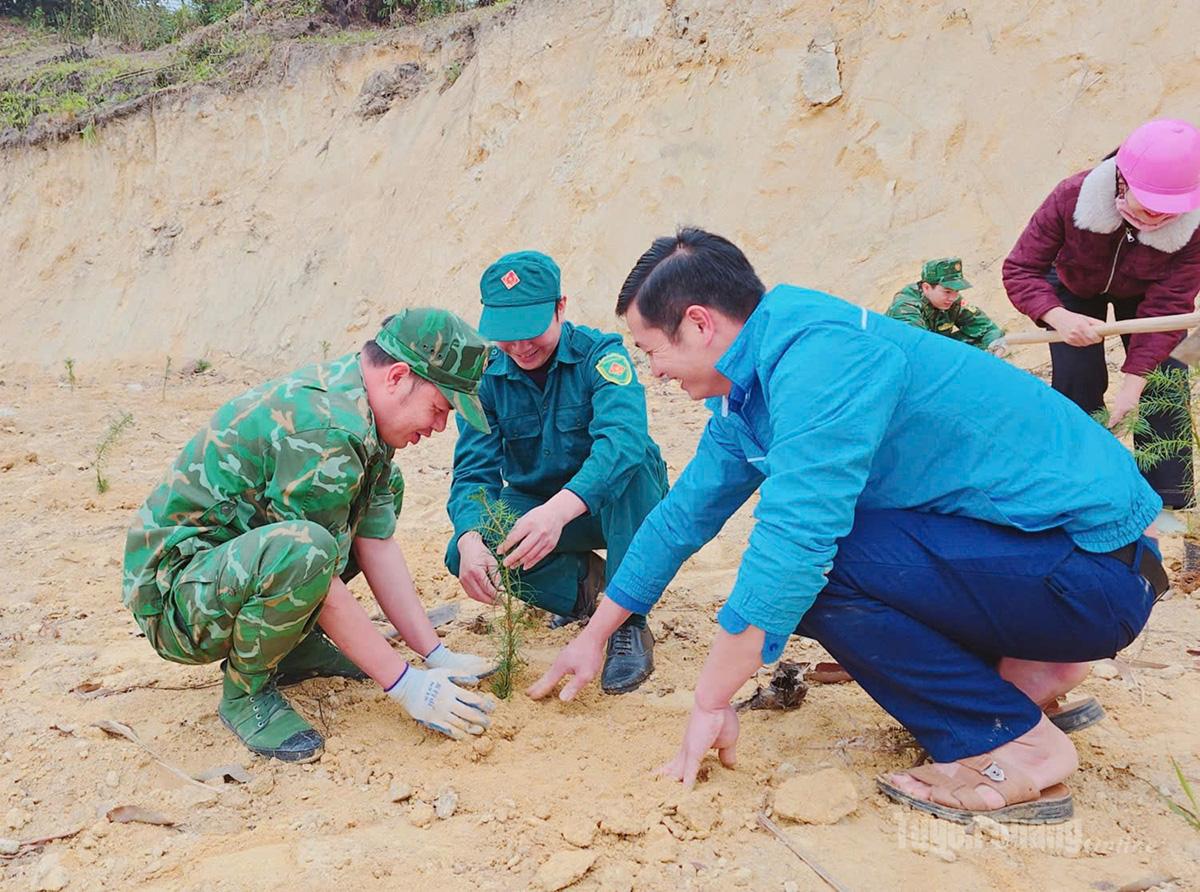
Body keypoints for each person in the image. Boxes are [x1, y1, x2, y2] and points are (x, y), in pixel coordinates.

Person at [529, 228, 1167, 824]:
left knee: (817, 568)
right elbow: (680, 519)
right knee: (832, 546)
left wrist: (710, 700)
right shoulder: (755, 381)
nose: (654, 371)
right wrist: (598, 632)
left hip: (1093, 576)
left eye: (651, 350)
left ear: (699, 324)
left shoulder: (822, 360)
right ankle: (1030, 669)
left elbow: (793, 548)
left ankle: (1018, 745)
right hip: (1057, 564)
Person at [123, 309, 498, 763]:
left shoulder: (363, 409)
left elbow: (376, 543)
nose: (439, 427)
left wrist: (435, 654)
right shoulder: (329, 430)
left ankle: (292, 649)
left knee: (369, 500)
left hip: (223, 572)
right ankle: (245, 693)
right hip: (177, 604)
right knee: (309, 550)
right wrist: (405, 685)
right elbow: (317, 571)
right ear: (398, 377)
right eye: (439, 408)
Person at [446, 251, 669, 693]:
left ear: (560, 307)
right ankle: (585, 589)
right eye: (507, 335)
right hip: (536, 508)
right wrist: (471, 539)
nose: (520, 347)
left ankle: (628, 621)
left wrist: (558, 511)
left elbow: (622, 441)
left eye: (531, 331)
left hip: (613, 509)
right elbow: (473, 473)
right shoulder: (486, 377)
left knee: (636, 462)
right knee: (464, 551)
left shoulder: (600, 356)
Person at [1004, 118, 1200, 508]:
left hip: (1147, 292)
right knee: (1078, 379)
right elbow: (1020, 269)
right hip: (1073, 284)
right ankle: (1084, 489)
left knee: (1164, 382)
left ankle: (1170, 502)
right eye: (1150, 205)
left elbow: (1170, 305)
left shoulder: (1194, 228)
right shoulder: (1072, 195)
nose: (1158, 218)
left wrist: (1133, 386)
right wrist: (1058, 317)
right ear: (1123, 181)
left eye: (1170, 211)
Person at [885, 257, 1007, 354]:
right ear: (926, 288)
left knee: (984, 340)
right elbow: (920, 347)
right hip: (900, 360)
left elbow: (989, 329)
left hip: (936, 349)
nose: (953, 297)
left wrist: (994, 351)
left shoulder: (953, 301)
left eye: (956, 291)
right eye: (947, 291)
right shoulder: (905, 306)